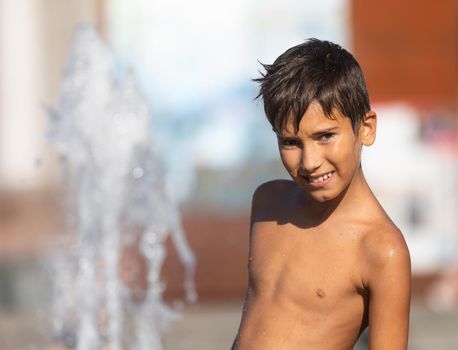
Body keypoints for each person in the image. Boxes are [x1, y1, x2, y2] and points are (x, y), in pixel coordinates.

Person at [232, 38, 411, 349]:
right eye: (291, 142)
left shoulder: (381, 249)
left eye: (325, 136)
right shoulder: (268, 203)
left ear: (366, 128)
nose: (310, 162)